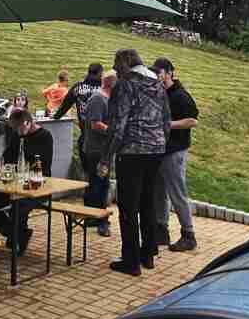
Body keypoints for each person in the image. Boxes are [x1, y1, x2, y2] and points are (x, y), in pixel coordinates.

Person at [99, 48, 170, 277]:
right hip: (156, 150)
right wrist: (160, 145)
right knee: (148, 202)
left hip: (132, 152)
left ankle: (130, 262)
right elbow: (166, 120)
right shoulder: (157, 83)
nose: (115, 69)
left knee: (128, 207)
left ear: (126, 62)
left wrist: (105, 158)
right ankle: (148, 254)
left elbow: (117, 124)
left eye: (116, 64)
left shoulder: (125, 84)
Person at [0, 109, 55, 254]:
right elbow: (7, 157)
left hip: (37, 187)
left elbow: (43, 166)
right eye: (14, 129)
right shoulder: (17, 135)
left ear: (27, 122)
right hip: (14, 184)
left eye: (19, 128)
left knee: (18, 207)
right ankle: (17, 235)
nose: (17, 132)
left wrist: (21, 163)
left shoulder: (45, 136)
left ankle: (16, 238)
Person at [151, 57, 199, 252]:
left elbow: (192, 120)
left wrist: (168, 125)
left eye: (159, 72)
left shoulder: (180, 95)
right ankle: (161, 231)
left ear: (170, 73)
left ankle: (188, 235)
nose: (156, 75)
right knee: (159, 191)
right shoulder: (159, 92)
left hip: (175, 150)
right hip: (160, 149)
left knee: (177, 193)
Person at [81, 71, 116, 236]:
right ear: (112, 83)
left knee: (99, 184)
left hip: (104, 149)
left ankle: (92, 217)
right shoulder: (98, 99)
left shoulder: (108, 98)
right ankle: (101, 220)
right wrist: (114, 131)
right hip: (96, 150)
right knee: (100, 185)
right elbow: (95, 124)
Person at [53, 62, 104, 177]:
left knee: (88, 171)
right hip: (101, 136)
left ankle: (88, 180)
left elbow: (65, 106)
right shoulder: (105, 88)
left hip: (85, 136)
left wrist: (55, 117)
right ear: (100, 73)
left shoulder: (77, 88)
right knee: (101, 172)